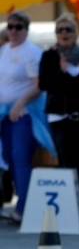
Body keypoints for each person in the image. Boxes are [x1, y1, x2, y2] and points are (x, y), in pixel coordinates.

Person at [38, 13, 79, 204]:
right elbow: (44, 84)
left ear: (75, 33)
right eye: (60, 30)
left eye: (68, 29)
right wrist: (62, 72)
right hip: (59, 116)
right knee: (65, 162)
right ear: (56, 34)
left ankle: (78, 208)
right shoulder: (49, 56)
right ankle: (66, 208)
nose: (64, 33)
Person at [0, 11, 46, 223]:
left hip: (24, 114)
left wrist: (20, 103)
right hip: (5, 114)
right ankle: (20, 203)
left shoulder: (31, 52)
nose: (14, 31)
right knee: (8, 158)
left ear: (26, 29)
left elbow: (39, 85)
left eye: (18, 27)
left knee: (20, 157)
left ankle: (23, 207)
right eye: (10, 26)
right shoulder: (5, 50)